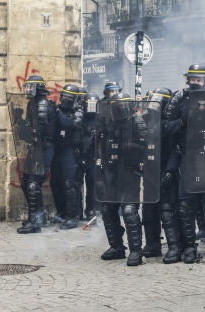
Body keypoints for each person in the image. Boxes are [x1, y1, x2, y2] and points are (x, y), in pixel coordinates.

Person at [165, 63, 205, 267]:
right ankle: (190, 248)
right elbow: (167, 128)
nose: (195, 83)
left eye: (199, 80)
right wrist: (183, 122)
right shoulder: (180, 98)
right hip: (189, 158)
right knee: (186, 206)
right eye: (192, 79)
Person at [97, 93, 150, 266]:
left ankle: (136, 251)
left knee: (129, 210)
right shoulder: (109, 125)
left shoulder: (138, 124)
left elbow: (146, 150)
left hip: (130, 173)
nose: (119, 111)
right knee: (107, 208)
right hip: (113, 173)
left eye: (121, 107)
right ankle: (117, 247)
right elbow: (101, 147)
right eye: (115, 107)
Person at [141, 88, 184, 263]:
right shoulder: (145, 122)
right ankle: (152, 245)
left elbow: (176, 150)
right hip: (150, 171)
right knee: (149, 210)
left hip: (166, 170)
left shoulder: (170, 124)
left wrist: (170, 170)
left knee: (166, 210)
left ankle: (174, 247)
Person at [17, 75, 57, 234]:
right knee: (26, 182)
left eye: (29, 87)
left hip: (44, 149)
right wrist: (19, 121)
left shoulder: (41, 105)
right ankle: (37, 217)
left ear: (37, 88)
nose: (26, 90)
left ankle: (36, 223)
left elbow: (36, 131)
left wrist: (22, 125)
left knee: (34, 184)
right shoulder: (32, 104)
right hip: (35, 149)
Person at [50, 84, 84, 229]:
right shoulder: (58, 110)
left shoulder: (78, 112)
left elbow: (70, 124)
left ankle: (72, 217)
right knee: (55, 184)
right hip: (57, 150)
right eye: (63, 96)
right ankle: (61, 213)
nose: (65, 99)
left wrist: (57, 111)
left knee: (69, 184)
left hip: (70, 152)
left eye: (69, 97)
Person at [79, 91, 100, 220]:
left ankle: (91, 209)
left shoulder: (101, 119)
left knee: (92, 184)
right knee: (76, 184)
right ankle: (77, 210)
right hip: (80, 155)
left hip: (93, 156)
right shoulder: (80, 118)